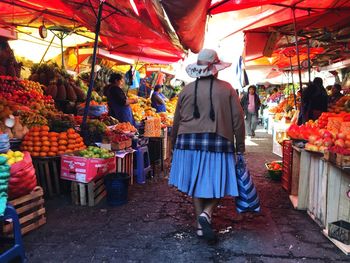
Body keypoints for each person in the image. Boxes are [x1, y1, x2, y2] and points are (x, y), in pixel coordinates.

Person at [169, 49, 245, 242]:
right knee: (219, 182)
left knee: (195, 184)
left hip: (187, 143)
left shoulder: (185, 90)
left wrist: (172, 145)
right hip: (218, 141)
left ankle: (200, 226)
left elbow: (176, 121)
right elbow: (238, 120)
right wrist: (240, 147)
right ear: (215, 70)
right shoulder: (227, 89)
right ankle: (207, 214)